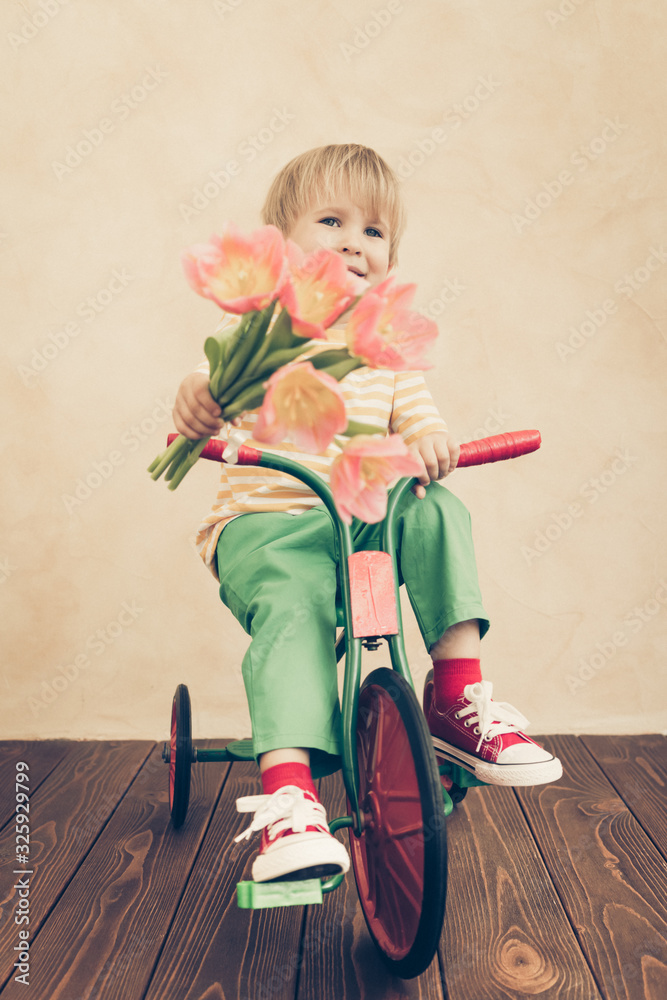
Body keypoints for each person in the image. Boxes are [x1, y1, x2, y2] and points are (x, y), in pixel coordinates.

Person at [172, 144, 562, 884]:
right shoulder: (260, 328)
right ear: (279, 243)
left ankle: (452, 697)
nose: (355, 240)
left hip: (356, 519)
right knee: (296, 605)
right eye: (331, 220)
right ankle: (289, 797)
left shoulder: (385, 352)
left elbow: (419, 419)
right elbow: (208, 379)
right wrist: (196, 403)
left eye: (374, 231)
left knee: (434, 505)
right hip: (266, 527)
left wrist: (430, 442)